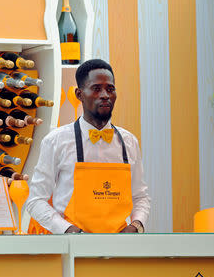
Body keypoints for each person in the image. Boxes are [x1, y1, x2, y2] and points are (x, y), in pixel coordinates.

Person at [26, 59, 150, 234]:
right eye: (97, 89)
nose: (105, 95)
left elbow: (140, 196)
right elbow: (36, 201)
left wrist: (136, 226)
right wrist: (68, 230)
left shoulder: (129, 141)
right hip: (73, 249)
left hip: (120, 249)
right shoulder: (56, 141)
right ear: (79, 94)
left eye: (110, 89)